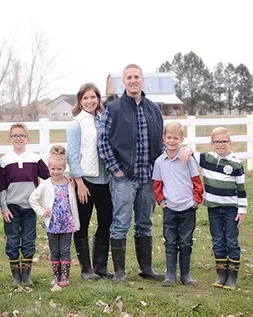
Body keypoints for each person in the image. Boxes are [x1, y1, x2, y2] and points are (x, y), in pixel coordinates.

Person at [98, 63, 164, 282]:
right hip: (124, 178)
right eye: (129, 77)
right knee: (120, 223)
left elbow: (161, 142)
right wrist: (116, 169)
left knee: (145, 223)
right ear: (123, 82)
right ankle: (119, 271)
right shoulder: (114, 109)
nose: (133, 80)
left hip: (148, 177)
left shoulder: (153, 108)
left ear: (142, 79)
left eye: (137, 76)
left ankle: (146, 269)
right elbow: (103, 141)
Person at [66, 83, 113, 280]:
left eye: (93, 97)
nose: (90, 101)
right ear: (80, 101)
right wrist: (80, 182)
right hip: (85, 181)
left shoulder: (104, 120)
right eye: (85, 98)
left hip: (105, 180)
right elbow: (72, 155)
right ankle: (86, 269)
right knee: (82, 223)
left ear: (98, 98)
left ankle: (100, 267)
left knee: (106, 221)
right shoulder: (76, 124)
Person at [191, 127, 248, 290]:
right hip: (213, 208)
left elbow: (242, 189)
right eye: (217, 141)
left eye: (224, 141)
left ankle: (232, 276)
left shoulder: (236, 163)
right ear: (211, 143)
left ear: (229, 143)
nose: (220, 145)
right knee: (217, 241)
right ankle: (221, 274)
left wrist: (242, 210)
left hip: (231, 209)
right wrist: (186, 150)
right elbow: (189, 153)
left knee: (231, 240)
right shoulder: (207, 159)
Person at [152, 122, 204, 287]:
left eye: (176, 138)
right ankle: (170, 275)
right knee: (170, 241)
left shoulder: (187, 159)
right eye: (169, 137)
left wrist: (196, 201)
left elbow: (196, 181)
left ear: (181, 139)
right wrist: (161, 201)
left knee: (186, 241)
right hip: (170, 208)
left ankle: (185, 275)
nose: (172, 141)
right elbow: (157, 184)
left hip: (188, 207)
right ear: (164, 138)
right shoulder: (160, 162)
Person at [0, 123, 49, 285]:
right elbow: (1, 187)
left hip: (30, 207)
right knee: (12, 240)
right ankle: (16, 276)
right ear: (10, 138)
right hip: (12, 207)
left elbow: (49, 178)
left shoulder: (34, 158)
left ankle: (26, 276)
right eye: (15, 135)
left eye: (21, 135)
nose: (18, 138)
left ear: (27, 138)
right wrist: (4, 208)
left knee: (28, 240)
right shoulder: (5, 160)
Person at [29, 146, 80, 288]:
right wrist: (41, 211)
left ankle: (65, 277)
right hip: (52, 223)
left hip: (67, 223)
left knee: (65, 250)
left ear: (64, 168)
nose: (56, 172)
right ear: (48, 169)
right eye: (53, 169)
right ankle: (55, 276)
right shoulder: (45, 184)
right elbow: (33, 198)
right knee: (55, 250)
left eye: (59, 169)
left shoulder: (70, 184)